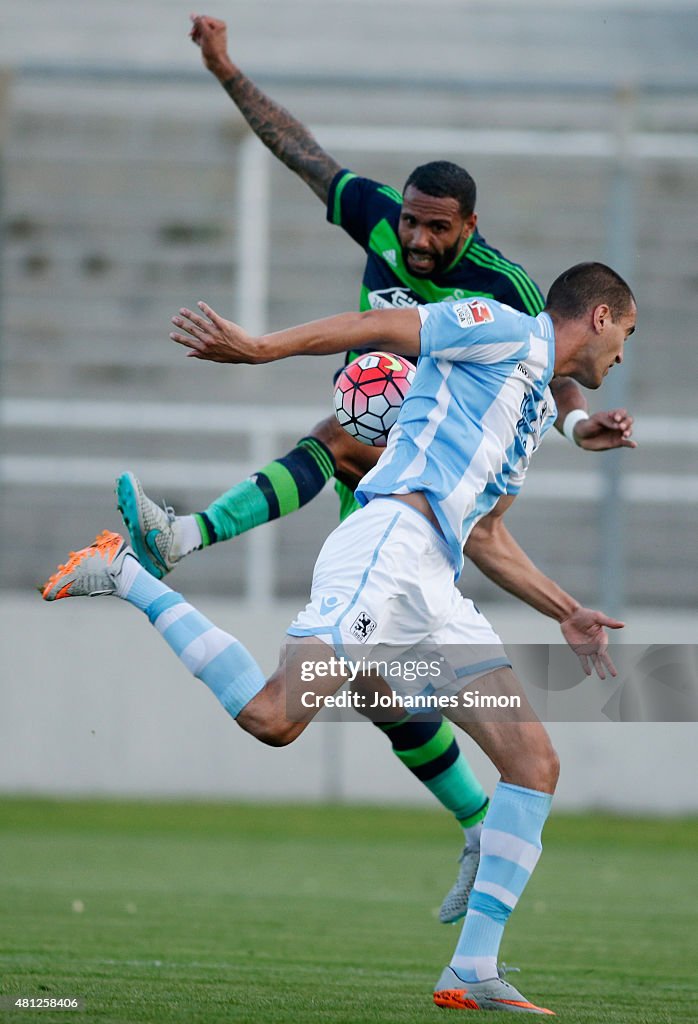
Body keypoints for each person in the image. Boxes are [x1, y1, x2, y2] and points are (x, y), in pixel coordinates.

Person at [115, 14, 637, 926]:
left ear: (470, 227)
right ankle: (478, 823)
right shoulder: (384, 226)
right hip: (397, 516)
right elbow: (303, 154)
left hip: (422, 502)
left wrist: (580, 421)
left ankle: (180, 538)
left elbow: (545, 368)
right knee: (351, 690)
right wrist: (227, 70)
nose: (417, 239)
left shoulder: (506, 292)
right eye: (410, 221)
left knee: (354, 452)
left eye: (437, 228)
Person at [42, 261, 637, 1012]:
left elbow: (485, 535)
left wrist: (565, 610)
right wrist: (259, 348)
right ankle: (125, 573)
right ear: (602, 317)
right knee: (273, 719)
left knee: (534, 762)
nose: (624, 356)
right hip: (384, 555)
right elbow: (377, 326)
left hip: (431, 584)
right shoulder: (503, 330)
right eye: (628, 335)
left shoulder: (521, 410)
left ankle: (471, 970)